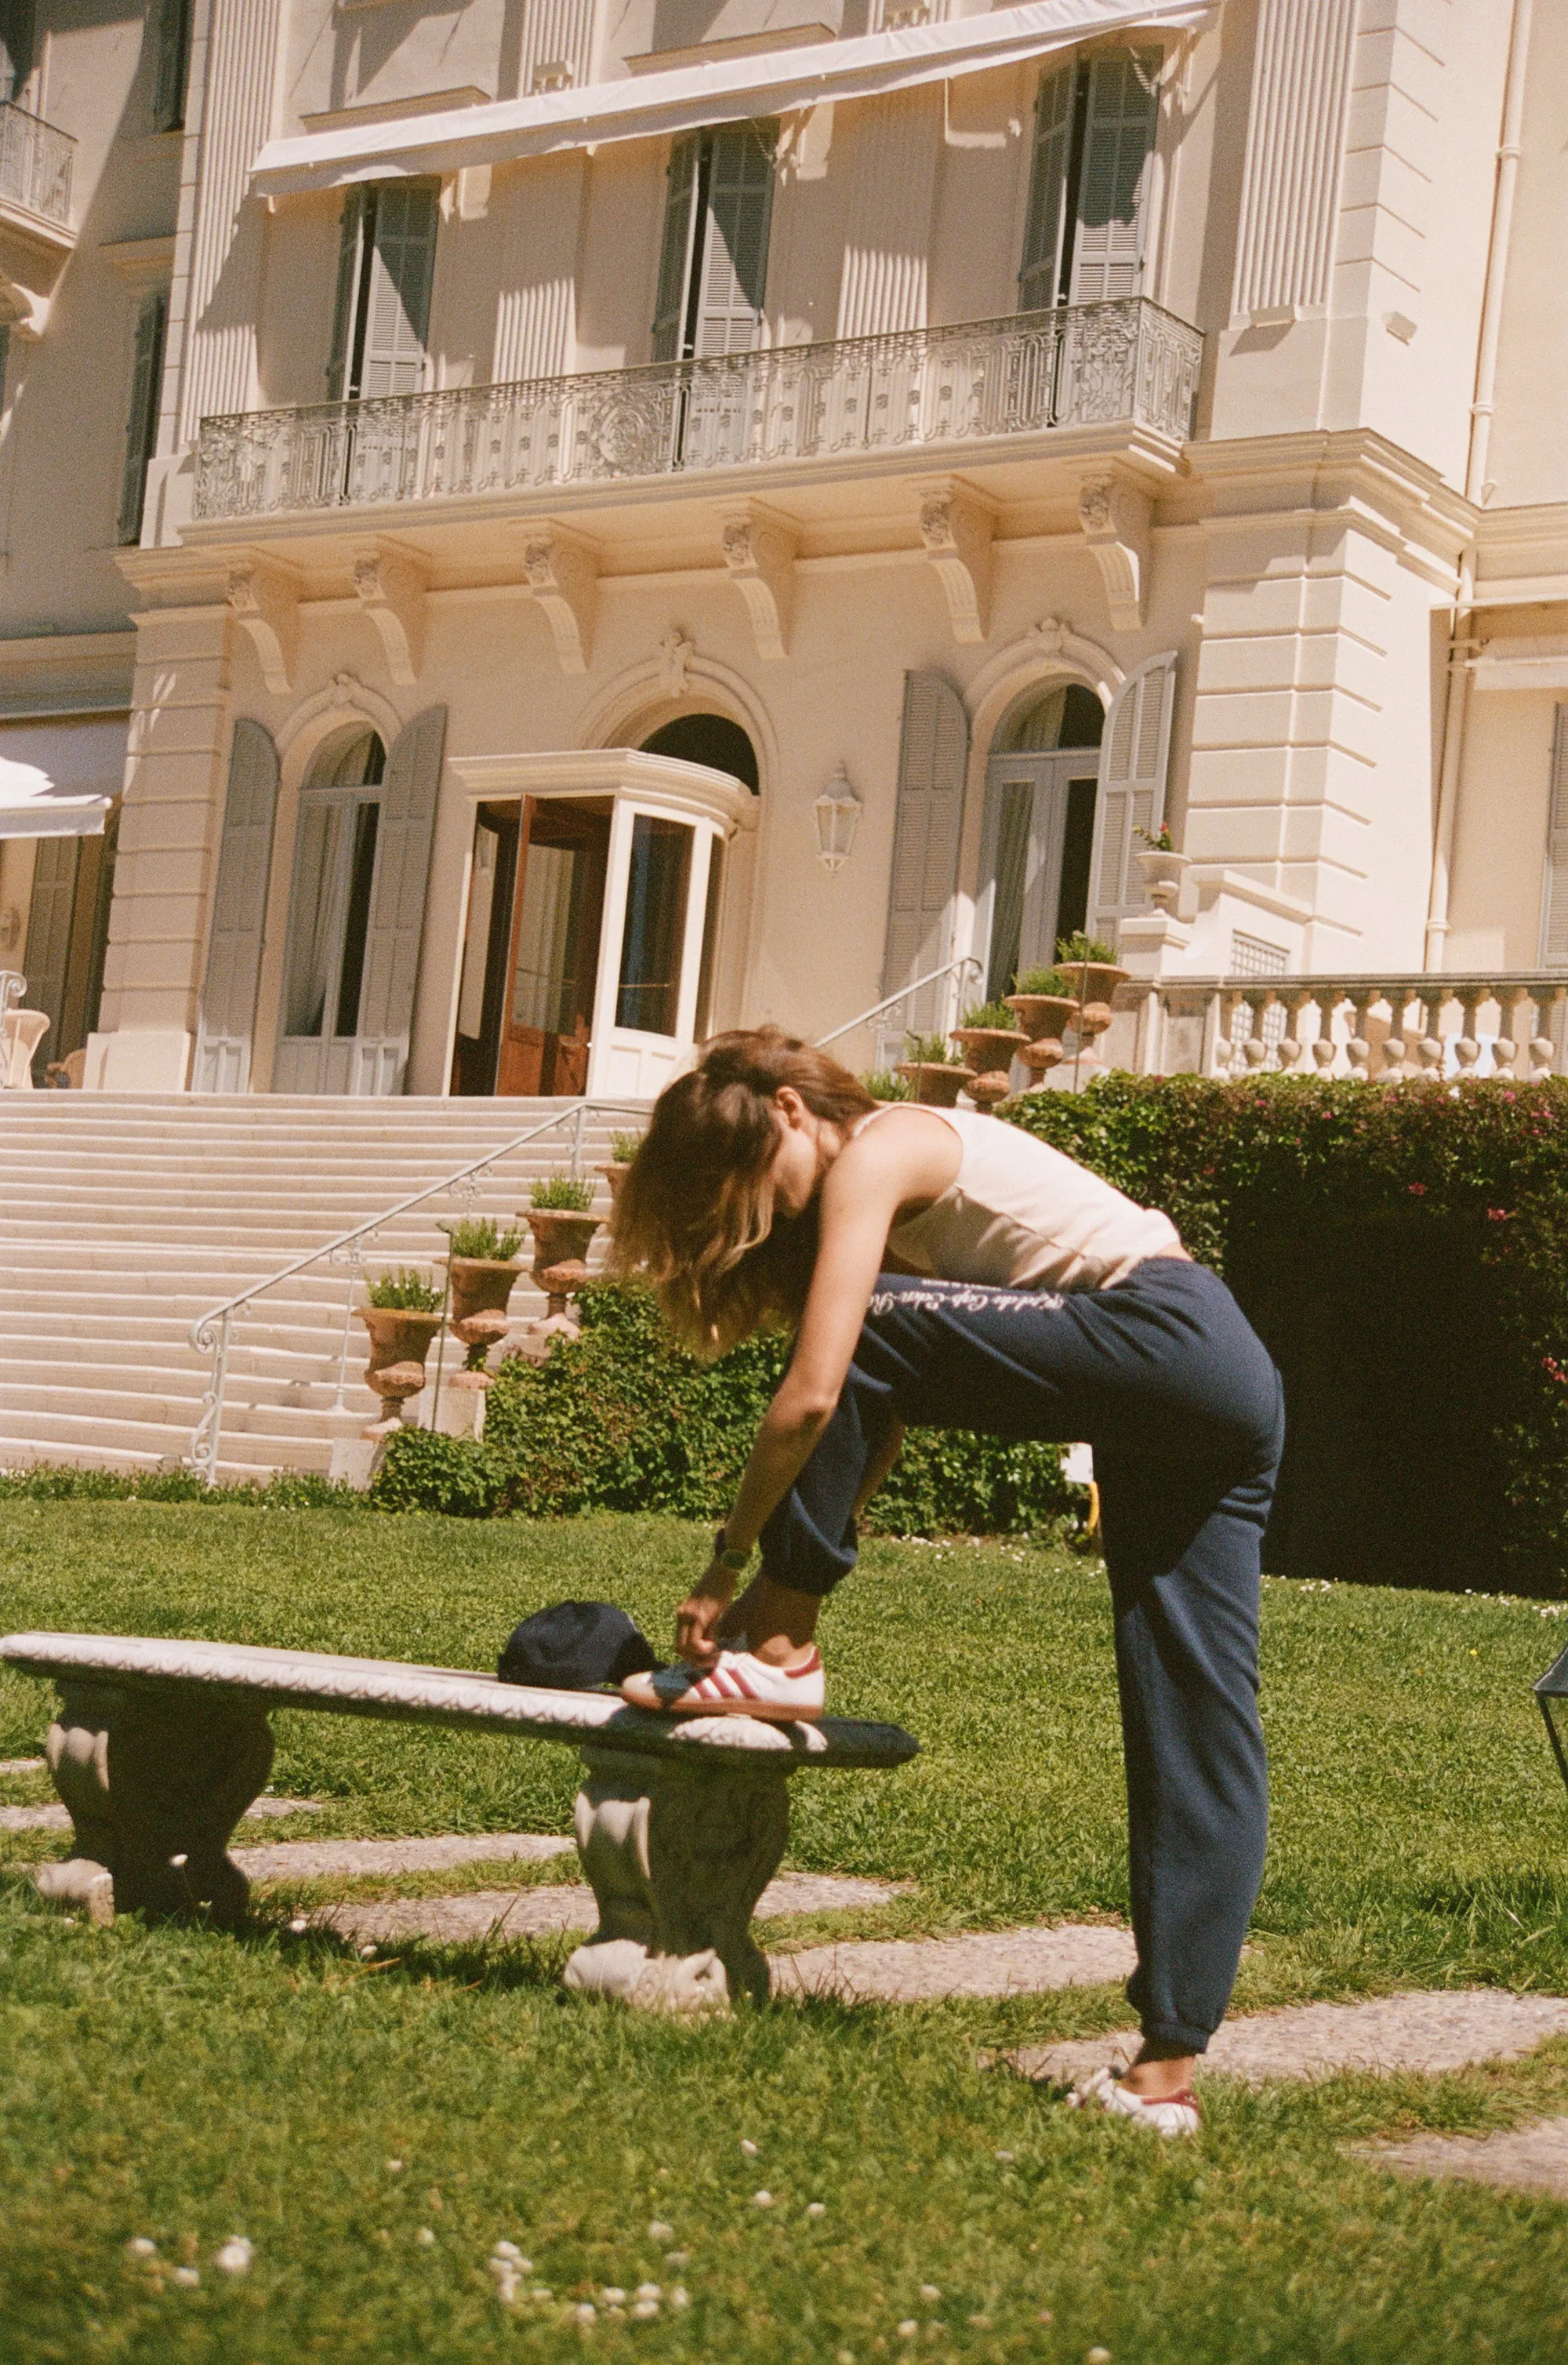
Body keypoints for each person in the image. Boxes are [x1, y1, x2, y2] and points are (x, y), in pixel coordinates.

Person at [608, 1027, 1283, 2134]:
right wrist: (803, 1549)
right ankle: (1167, 2073)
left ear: (789, 1109)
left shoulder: (880, 1147)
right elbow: (874, 1417)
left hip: (1164, 1332)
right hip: (1223, 1380)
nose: (767, 1210)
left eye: (756, 1179)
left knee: (863, 1330)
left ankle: (782, 1658)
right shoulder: (886, 1186)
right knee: (1194, 1717)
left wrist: (730, 1570)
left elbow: (821, 1390)